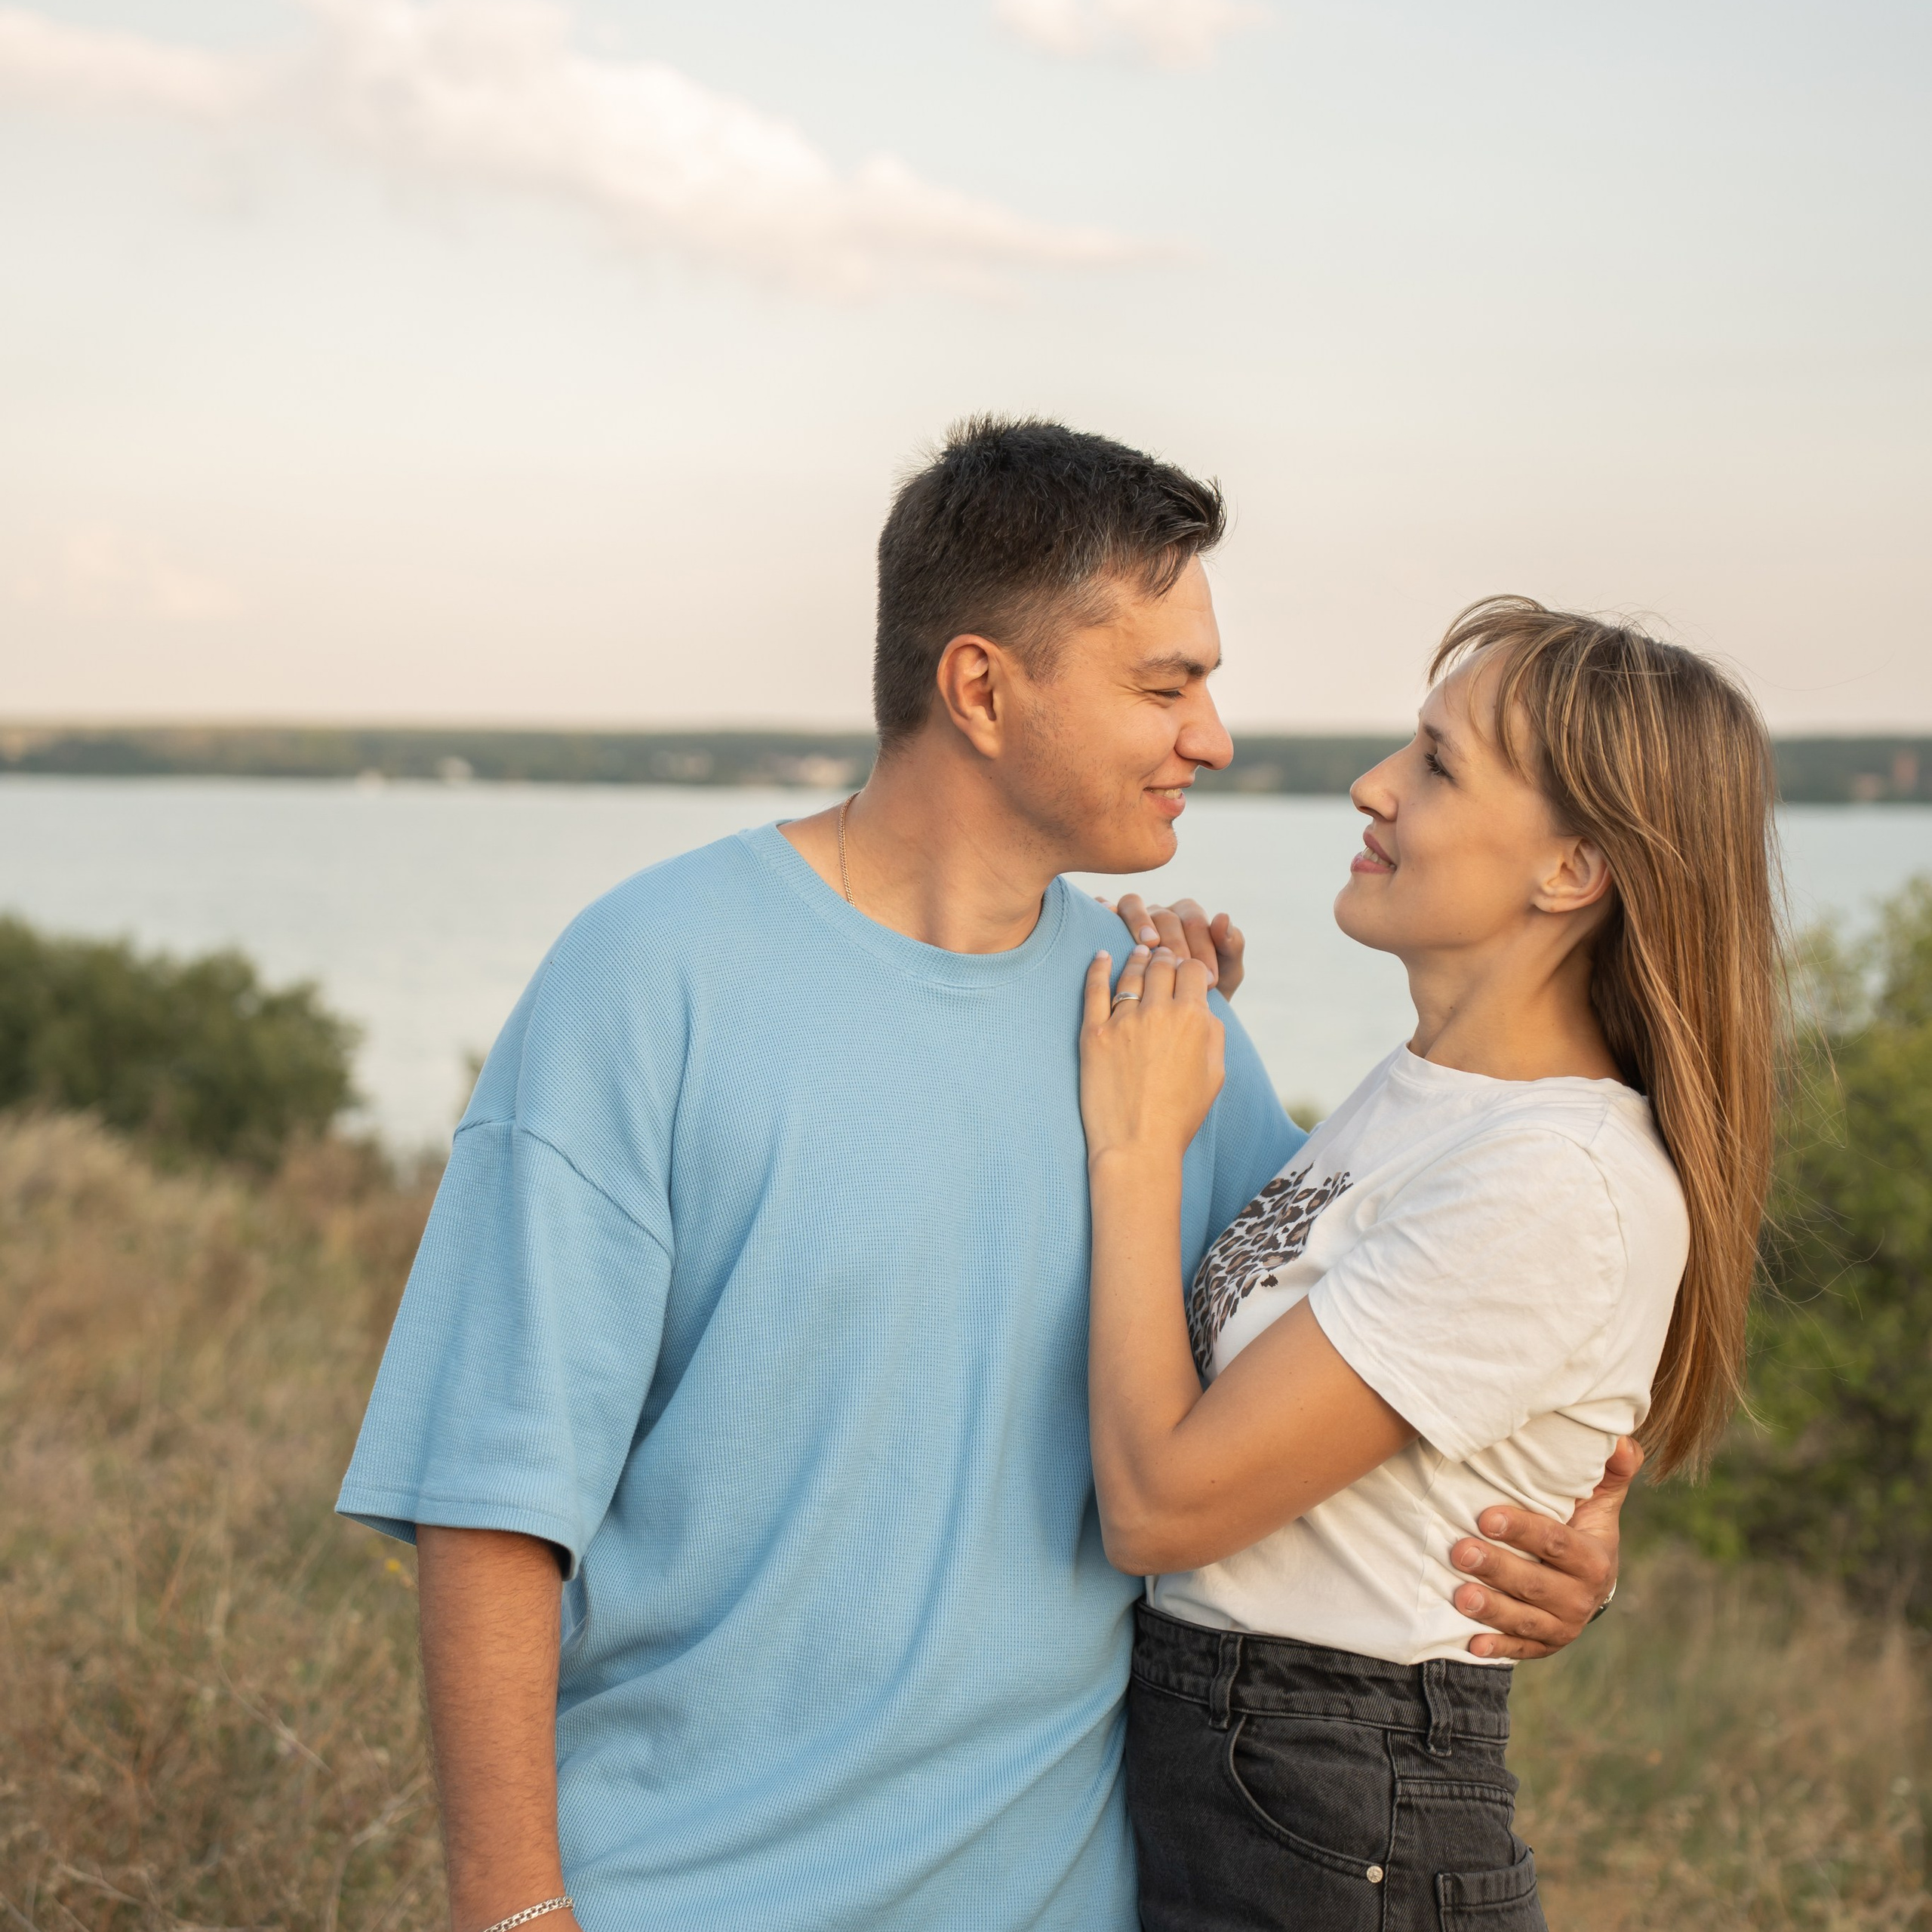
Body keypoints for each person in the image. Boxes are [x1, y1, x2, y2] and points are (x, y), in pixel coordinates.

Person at [336, 428, 1628, 1932]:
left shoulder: (1161, 1019)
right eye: (1163, 684)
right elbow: (496, 1493)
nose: (1210, 736)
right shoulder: (647, 979)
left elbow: (1345, 1365)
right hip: (673, 1889)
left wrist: (1563, 1534)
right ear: (980, 687)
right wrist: (513, 1909)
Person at [1078, 596, 1780, 1930]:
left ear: (1573, 869)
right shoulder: (1422, 1102)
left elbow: (1165, 1508)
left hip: (1329, 1807)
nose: (1373, 785)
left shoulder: (1552, 1178)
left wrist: (1137, 1143)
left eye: (1439, 764)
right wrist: (1198, 1052)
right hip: (1259, 1779)